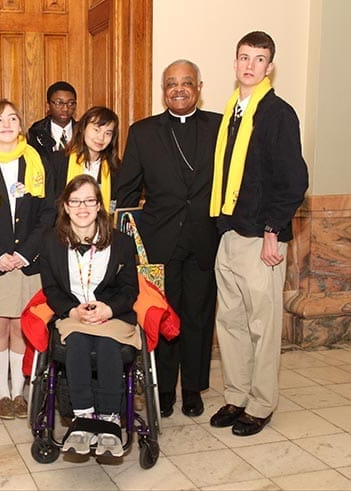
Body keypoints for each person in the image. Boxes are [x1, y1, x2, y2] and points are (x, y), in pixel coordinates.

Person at [208, 31, 308, 436]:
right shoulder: (234, 111)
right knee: (230, 322)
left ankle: (262, 403)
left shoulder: (277, 114)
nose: (250, 65)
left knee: (262, 326)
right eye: (244, 57)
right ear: (235, 63)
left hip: (260, 240)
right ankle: (237, 395)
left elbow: (293, 181)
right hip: (230, 232)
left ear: (270, 67)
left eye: (259, 59)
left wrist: (273, 231)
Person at [115, 60, 221, 418]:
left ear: (199, 87)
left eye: (186, 83)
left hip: (205, 240)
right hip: (159, 243)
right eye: (171, 83)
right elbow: (126, 193)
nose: (179, 89)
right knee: (164, 318)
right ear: (164, 90)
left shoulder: (221, 128)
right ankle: (164, 388)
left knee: (198, 317)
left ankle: (192, 388)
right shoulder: (143, 132)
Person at [40, 175, 140, 457]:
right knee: (78, 342)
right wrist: (72, 311)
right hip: (74, 313)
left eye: (89, 201)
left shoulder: (121, 242)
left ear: (99, 206)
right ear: (66, 206)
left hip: (113, 314)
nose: (82, 207)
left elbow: (129, 288)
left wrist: (108, 309)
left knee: (107, 345)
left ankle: (109, 418)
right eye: (75, 201)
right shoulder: (50, 242)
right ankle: (82, 417)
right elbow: (51, 289)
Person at [0, 99, 55, 420]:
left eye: (12, 118)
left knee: (22, 328)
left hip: (28, 261)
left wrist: (25, 252)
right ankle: (2, 392)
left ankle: (19, 392)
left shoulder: (37, 162)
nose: (6, 124)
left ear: (20, 126)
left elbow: (48, 212)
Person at [50, 106, 121, 213]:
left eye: (108, 133)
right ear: (83, 129)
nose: (101, 138)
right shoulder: (58, 161)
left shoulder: (115, 167)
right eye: (96, 130)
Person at [28, 81, 77, 161]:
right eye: (59, 103)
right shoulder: (36, 133)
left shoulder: (83, 132)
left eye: (71, 103)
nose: (65, 108)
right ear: (48, 105)